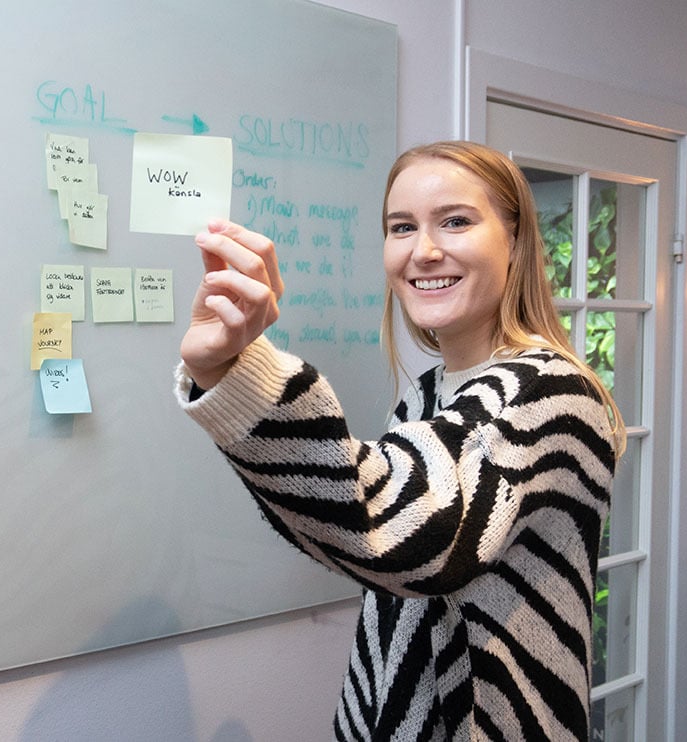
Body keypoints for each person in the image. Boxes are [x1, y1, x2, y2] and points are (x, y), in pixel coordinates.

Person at [174, 140, 625, 741]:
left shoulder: (550, 392)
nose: (424, 250)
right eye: (401, 227)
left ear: (515, 242)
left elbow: (404, 535)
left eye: (456, 221)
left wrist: (236, 372)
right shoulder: (428, 394)